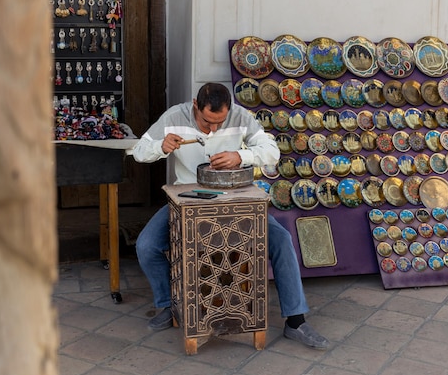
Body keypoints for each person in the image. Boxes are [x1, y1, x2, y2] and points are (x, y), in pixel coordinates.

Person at [132, 82, 329, 349]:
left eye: (219, 122)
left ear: (229, 110)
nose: (213, 129)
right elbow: (138, 151)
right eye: (206, 121)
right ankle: (170, 306)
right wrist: (161, 146)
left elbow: (272, 152)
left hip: (236, 197)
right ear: (194, 105)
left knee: (280, 240)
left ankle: (296, 320)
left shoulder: (241, 116)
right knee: (147, 246)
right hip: (188, 200)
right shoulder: (173, 117)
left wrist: (241, 155)